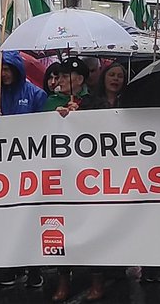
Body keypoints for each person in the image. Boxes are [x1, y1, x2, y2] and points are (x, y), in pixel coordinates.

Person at [0, 51, 48, 289]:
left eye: (8, 69)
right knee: (5, 218)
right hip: (1, 170)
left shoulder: (36, 94)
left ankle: (34, 267)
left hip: (29, 168)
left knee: (29, 218)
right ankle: (10, 265)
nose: (4, 74)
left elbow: (44, 128)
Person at [51, 56, 106, 302]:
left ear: (80, 79)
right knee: (61, 229)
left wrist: (81, 116)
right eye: (59, 76)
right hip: (60, 177)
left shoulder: (96, 103)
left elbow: (106, 129)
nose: (59, 80)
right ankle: (63, 280)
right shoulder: (50, 102)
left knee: (90, 228)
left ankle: (96, 280)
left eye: (65, 76)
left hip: (88, 178)